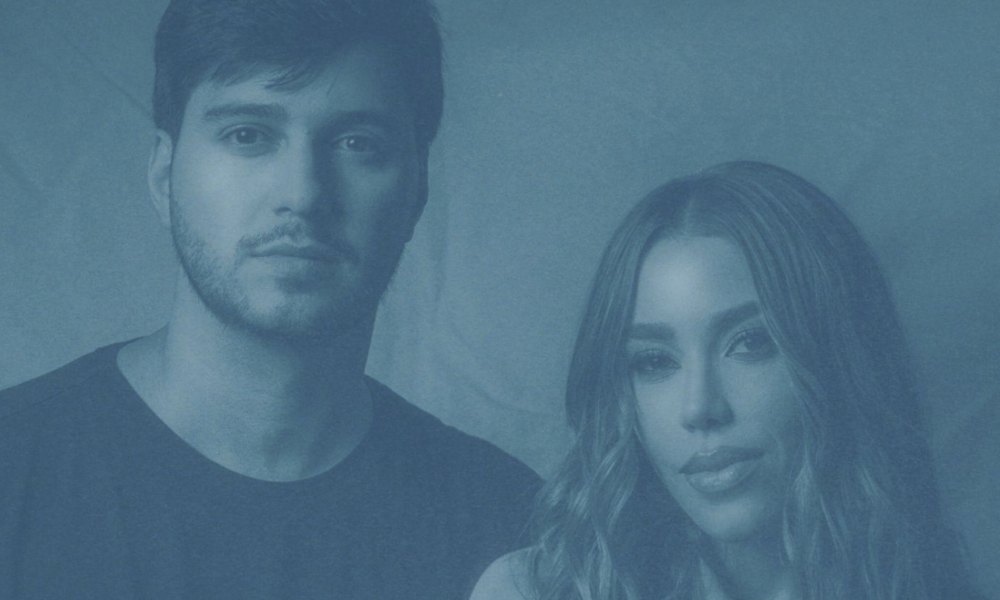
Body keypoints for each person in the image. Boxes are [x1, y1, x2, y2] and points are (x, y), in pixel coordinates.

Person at [0, 0, 540, 598]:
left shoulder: (514, 533)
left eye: (357, 143)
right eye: (248, 135)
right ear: (163, 176)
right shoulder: (11, 469)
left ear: (418, 192)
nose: (303, 194)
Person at [471, 161, 986, 600]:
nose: (699, 407)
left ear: (838, 360)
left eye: (751, 343)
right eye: (653, 362)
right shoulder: (530, 592)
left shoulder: (931, 583)